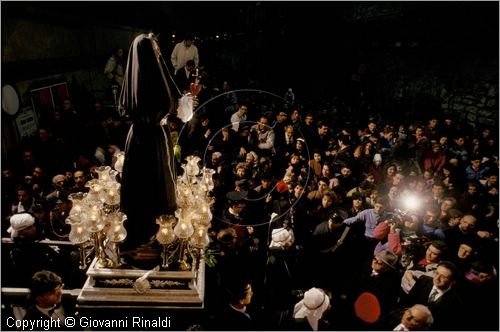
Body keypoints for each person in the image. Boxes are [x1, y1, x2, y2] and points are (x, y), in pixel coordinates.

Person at [119, 33, 177, 252]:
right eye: (154, 48)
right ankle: (157, 228)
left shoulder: (135, 81)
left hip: (138, 138)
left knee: (140, 184)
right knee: (154, 182)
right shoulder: (152, 82)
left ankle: (142, 226)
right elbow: (165, 104)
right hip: (152, 139)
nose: (158, 52)